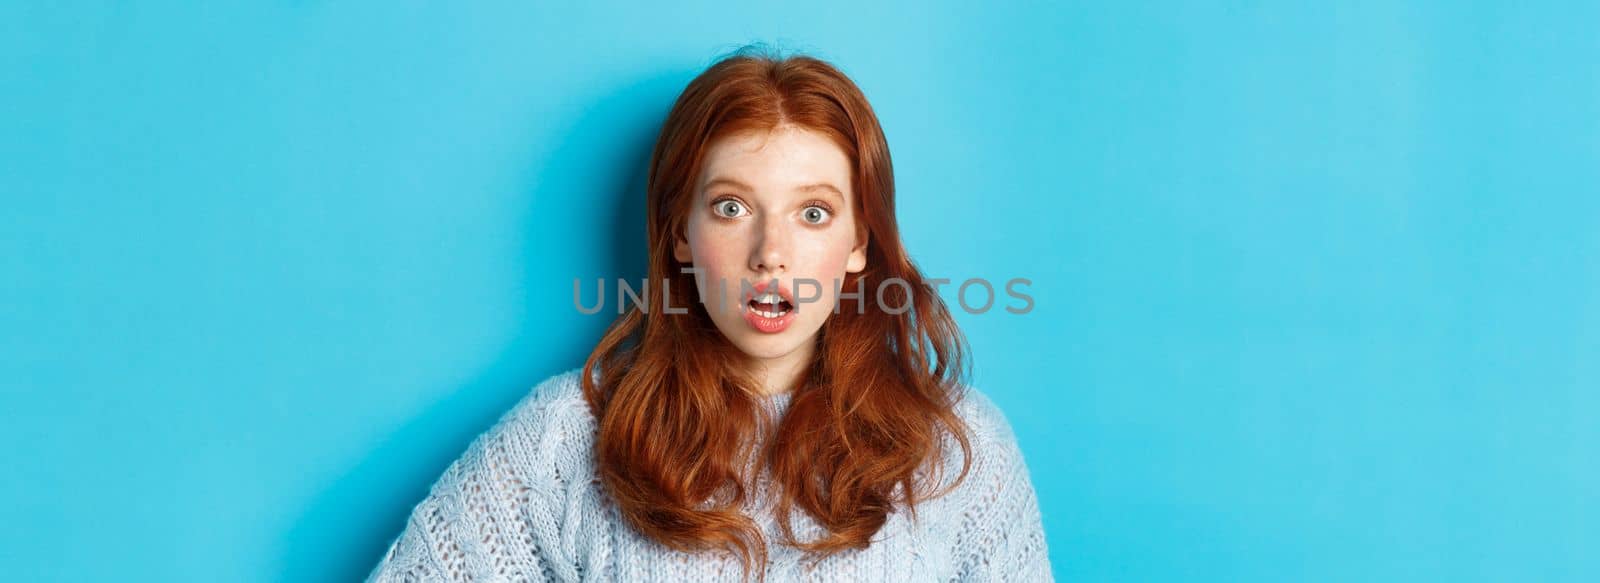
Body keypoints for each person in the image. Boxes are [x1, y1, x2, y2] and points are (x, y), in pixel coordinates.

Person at [365, 48, 1053, 582]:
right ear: (680, 234)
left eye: (813, 213)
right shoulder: (565, 439)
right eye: (732, 206)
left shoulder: (959, 450)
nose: (771, 254)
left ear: (857, 242)